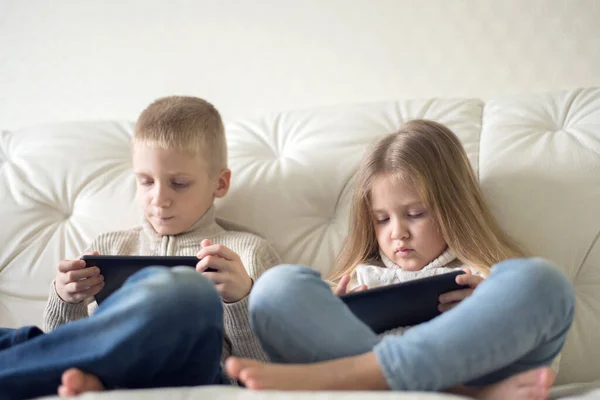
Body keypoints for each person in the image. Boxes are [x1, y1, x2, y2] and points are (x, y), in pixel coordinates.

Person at [225, 120, 575, 400]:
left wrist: (488, 304)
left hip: (475, 366)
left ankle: (358, 378)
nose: (398, 233)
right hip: (421, 372)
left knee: (542, 281)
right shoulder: (360, 276)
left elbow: (545, 364)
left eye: (416, 213)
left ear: (455, 209)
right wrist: (331, 314)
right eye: (382, 219)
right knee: (275, 287)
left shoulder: (489, 281)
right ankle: (457, 393)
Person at [0, 96, 280, 399]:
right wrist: (67, 300)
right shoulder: (109, 245)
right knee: (13, 339)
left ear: (219, 183)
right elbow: (62, 345)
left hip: (200, 375)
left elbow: (274, 372)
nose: (159, 199)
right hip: (107, 372)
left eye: (180, 183)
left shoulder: (249, 253)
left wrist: (240, 301)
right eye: (146, 181)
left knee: (186, 290)